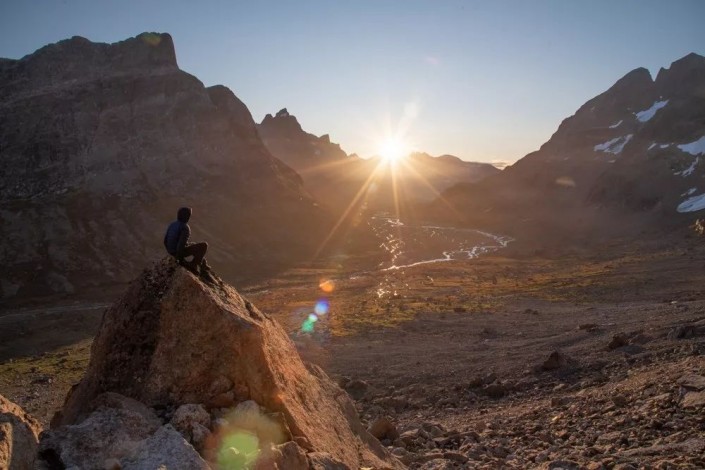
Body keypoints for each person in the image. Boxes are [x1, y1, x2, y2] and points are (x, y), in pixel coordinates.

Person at [164, 207, 211, 277]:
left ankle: (203, 264)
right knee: (204, 246)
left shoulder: (172, 224)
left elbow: (165, 241)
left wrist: (170, 251)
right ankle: (193, 265)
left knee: (193, 245)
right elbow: (180, 245)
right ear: (187, 217)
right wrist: (180, 260)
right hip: (177, 252)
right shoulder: (185, 228)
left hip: (171, 250)